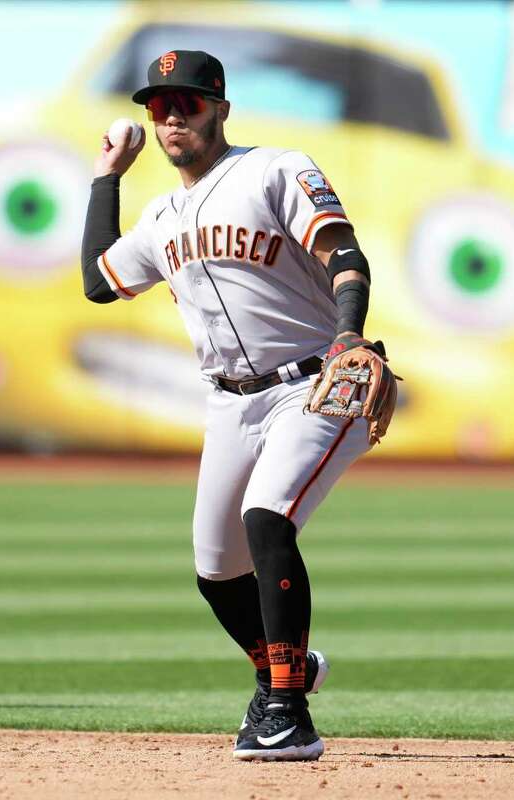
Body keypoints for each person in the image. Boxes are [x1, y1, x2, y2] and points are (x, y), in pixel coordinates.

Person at [80, 49, 385, 761]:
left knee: (266, 517)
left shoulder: (276, 169)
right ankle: (287, 669)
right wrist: (105, 179)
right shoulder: (162, 216)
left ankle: (287, 712)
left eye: (187, 101)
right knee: (216, 570)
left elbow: (345, 256)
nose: (172, 114)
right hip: (229, 405)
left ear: (220, 107)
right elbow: (99, 283)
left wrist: (348, 333)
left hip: (315, 383)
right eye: (159, 106)